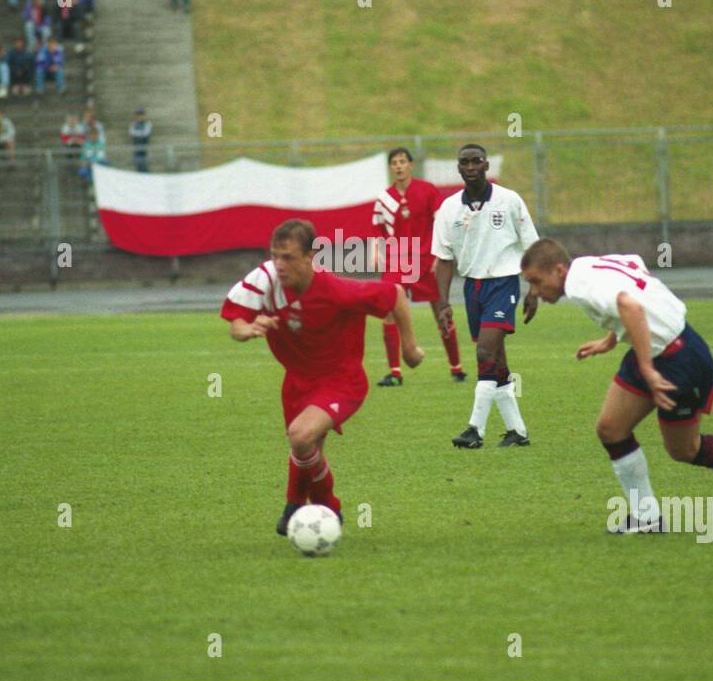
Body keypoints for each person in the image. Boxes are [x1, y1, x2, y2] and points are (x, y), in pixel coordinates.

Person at [520, 238, 713, 533]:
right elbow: (634, 271)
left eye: (536, 281)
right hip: (650, 349)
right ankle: (646, 516)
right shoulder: (584, 265)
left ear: (559, 270)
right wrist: (610, 339)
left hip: (680, 358)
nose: (534, 291)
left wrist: (648, 368)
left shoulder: (578, 285)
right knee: (611, 428)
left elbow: (630, 306)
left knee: (684, 450)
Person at [220, 219, 424, 536]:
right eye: (275, 255)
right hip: (297, 383)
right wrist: (246, 329)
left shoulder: (336, 291)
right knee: (308, 448)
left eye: (288, 257)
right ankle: (297, 507)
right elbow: (236, 323)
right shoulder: (265, 281)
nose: (279, 264)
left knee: (301, 436)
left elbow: (394, 294)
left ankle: (327, 506)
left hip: (342, 381)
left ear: (311, 256)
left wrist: (409, 348)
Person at [433, 143, 538, 449]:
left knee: (483, 353)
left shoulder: (509, 200)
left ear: (486, 165)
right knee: (497, 361)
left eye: (476, 161)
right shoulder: (449, 208)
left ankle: (475, 430)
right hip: (472, 288)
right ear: (458, 168)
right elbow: (444, 258)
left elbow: (532, 246)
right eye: (464, 162)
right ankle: (517, 431)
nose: (470, 167)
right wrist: (442, 303)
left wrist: (533, 289)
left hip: (503, 283)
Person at [372, 147, 465, 386]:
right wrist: (376, 251)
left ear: (411, 165)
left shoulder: (427, 190)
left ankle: (456, 367)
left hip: (426, 260)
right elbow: (377, 230)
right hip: (397, 260)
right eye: (394, 163)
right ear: (391, 168)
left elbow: (442, 223)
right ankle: (395, 372)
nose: (399, 166)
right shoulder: (384, 198)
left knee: (441, 311)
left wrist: (440, 255)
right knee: (389, 311)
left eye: (403, 161)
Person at [130, 107, 151, 172]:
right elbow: (132, 133)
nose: (140, 117)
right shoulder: (133, 125)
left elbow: (146, 133)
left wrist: (139, 134)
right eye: (138, 115)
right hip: (137, 150)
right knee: (138, 167)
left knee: (145, 167)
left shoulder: (147, 124)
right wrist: (140, 134)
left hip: (145, 150)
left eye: (141, 115)